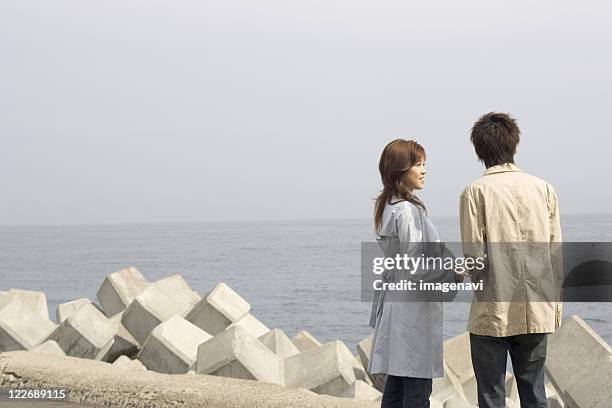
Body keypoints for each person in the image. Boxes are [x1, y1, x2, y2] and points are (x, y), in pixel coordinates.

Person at [459, 112, 563, 408]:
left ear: (480, 151)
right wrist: (554, 309)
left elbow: (475, 259)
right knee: (534, 394)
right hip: (536, 308)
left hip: (493, 313)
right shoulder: (544, 189)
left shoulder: (474, 192)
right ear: (514, 144)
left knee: (492, 398)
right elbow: (556, 253)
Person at [368, 139, 460, 408]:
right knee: (416, 392)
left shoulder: (390, 206)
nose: (423, 170)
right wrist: (454, 273)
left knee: (396, 388)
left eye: (424, 164)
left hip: (398, 306)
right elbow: (416, 267)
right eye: (417, 164)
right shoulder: (408, 211)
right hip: (413, 311)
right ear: (399, 169)